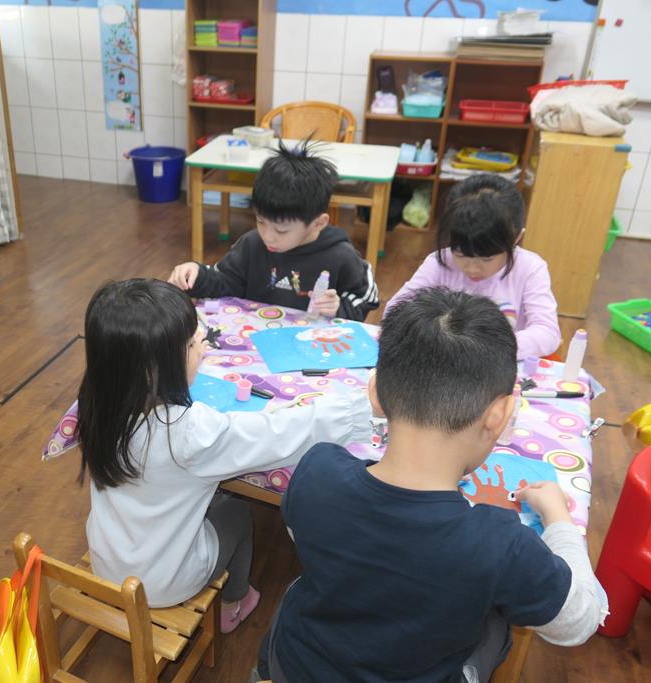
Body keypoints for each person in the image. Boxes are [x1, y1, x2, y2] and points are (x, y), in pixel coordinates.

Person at [256, 287, 607, 682]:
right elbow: (578, 622)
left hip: (292, 666)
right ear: (501, 414)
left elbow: (304, 533)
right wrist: (559, 521)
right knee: (496, 623)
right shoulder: (501, 547)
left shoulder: (317, 470)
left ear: (375, 392)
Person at [76, 278, 371, 633]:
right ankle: (235, 601)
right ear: (152, 371)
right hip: (163, 583)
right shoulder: (188, 433)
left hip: (107, 562)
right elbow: (278, 434)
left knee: (202, 493)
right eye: (191, 343)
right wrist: (360, 407)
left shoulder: (95, 403)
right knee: (237, 512)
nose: (203, 346)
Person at [168, 140, 379, 321]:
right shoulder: (252, 244)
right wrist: (196, 275)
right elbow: (225, 281)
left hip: (312, 346)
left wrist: (339, 309)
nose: (268, 236)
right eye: (260, 221)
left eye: (282, 231)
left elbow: (366, 297)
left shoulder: (340, 255)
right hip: (254, 341)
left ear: (318, 223)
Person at [382, 175, 560, 360]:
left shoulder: (530, 269)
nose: (472, 268)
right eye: (460, 254)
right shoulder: (439, 262)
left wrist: (489, 348)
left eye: (487, 258)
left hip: (497, 366)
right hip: (445, 361)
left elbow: (547, 332)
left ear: (516, 238)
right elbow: (395, 309)